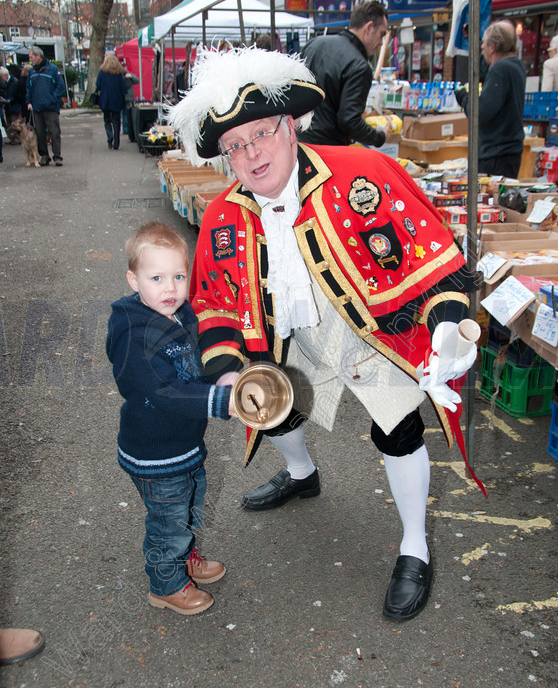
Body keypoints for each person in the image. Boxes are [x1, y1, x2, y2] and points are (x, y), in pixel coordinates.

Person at [169, 47, 480, 622]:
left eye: (260, 134)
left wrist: (446, 332)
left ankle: (414, 543)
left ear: (289, 127)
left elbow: (432, 259)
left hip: (368, 335)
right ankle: (301, 474)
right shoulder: (220, 220)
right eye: (235, 145)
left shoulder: (363, 173)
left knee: (398, 427)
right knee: (273, 409)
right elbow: (212, 305)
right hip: (285, 338)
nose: (251, 153)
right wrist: (232, 371)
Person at [106, 221, 239, 616]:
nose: (170, 288)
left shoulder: (181, 312)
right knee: (167, 519)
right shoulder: (133, 330)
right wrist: (219, 400)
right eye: (157, 277)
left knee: (191, 504)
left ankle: (184, 558)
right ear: (134, 280)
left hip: (184, 443)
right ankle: (166, 582)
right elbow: (161, 391)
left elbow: (195, 363)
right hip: (154, 450)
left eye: (179, 276)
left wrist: (223, 375)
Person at [298, 0, 389, 149]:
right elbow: (349, 121)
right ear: (369, 27)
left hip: (299, 144)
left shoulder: (314, 44)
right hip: (328, 150)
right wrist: (379, 137)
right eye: (381, 34)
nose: (381, 42)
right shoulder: (359, 66)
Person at [455, 20, 526, 179]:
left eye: (484, 45)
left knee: (487, 200)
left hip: (495, 154)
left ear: (492, 47)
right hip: (508, 152)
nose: (481, 48)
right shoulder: (516, 66)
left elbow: (480, 113)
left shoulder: (500, 69)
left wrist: (464, 98)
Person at [26, 46, 66, 167]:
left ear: (39, 56)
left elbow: (61, 87)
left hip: (51, 108)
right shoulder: (32, 72)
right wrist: (28, 101)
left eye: (31, 57)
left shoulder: (52, 69)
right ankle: (44, 156)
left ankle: (57, 156)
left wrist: (52, 99)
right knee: (40, 133)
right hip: (37, 108)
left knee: (54, 132)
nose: (30, 60)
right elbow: (28, 88)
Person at [96, 53, 127, 150]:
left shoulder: (102, 72)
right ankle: (116, 143)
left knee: (107, 120)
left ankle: (110, 137)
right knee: (116, 121)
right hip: (117, 100)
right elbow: (123, 89)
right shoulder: (119, 73)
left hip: (105, 99)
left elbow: (98, 85)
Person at [121, 64, 140, 141]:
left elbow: (137, 81)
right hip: (122, 97)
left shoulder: (129, 74)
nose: (124, 68)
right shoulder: (119, 75)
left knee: (126, 113)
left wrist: (131, 76)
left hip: (129, 97)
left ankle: (126, 129)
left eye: (124, 66)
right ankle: (125, 128)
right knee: (123, 113)